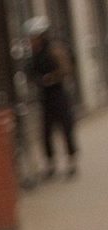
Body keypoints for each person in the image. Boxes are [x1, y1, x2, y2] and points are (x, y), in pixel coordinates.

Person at [26, 16, 78, 179]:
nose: (32, 41)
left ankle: (71, 162)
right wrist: (37, 80)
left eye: (34, 37)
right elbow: (30, 72)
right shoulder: (35, 55)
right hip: (45, 96)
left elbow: (67, 68)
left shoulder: (54, 50)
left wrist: (52, 78)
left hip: (58, 93)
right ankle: (51, 164)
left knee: (65, 128)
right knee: (46, 132)